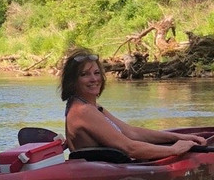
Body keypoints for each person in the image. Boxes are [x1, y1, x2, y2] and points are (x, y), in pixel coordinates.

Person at [60, 48, 205, 160]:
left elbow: (131, 132)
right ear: (72, 81)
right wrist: (174, 150)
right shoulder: (83, 111)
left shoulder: (90, 106)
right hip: (103, 179)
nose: (94, 79)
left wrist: (178, 137)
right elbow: (129, 148)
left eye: (97, 73)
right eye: (84, 74)